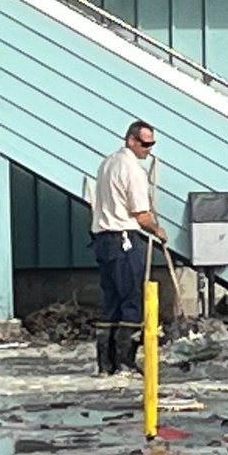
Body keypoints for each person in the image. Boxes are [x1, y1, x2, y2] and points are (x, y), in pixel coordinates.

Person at [90, 120, 168, 376]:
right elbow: (140, 214)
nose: (149, 149)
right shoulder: (132, 170)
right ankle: (126, 362)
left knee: (111, 301)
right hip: (123, 237)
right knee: (131, 300)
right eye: (145, 144)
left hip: (102, 239)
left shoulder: (107, 163)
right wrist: (157, 230)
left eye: (152, 144)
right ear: (131, 141)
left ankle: (106, 364)